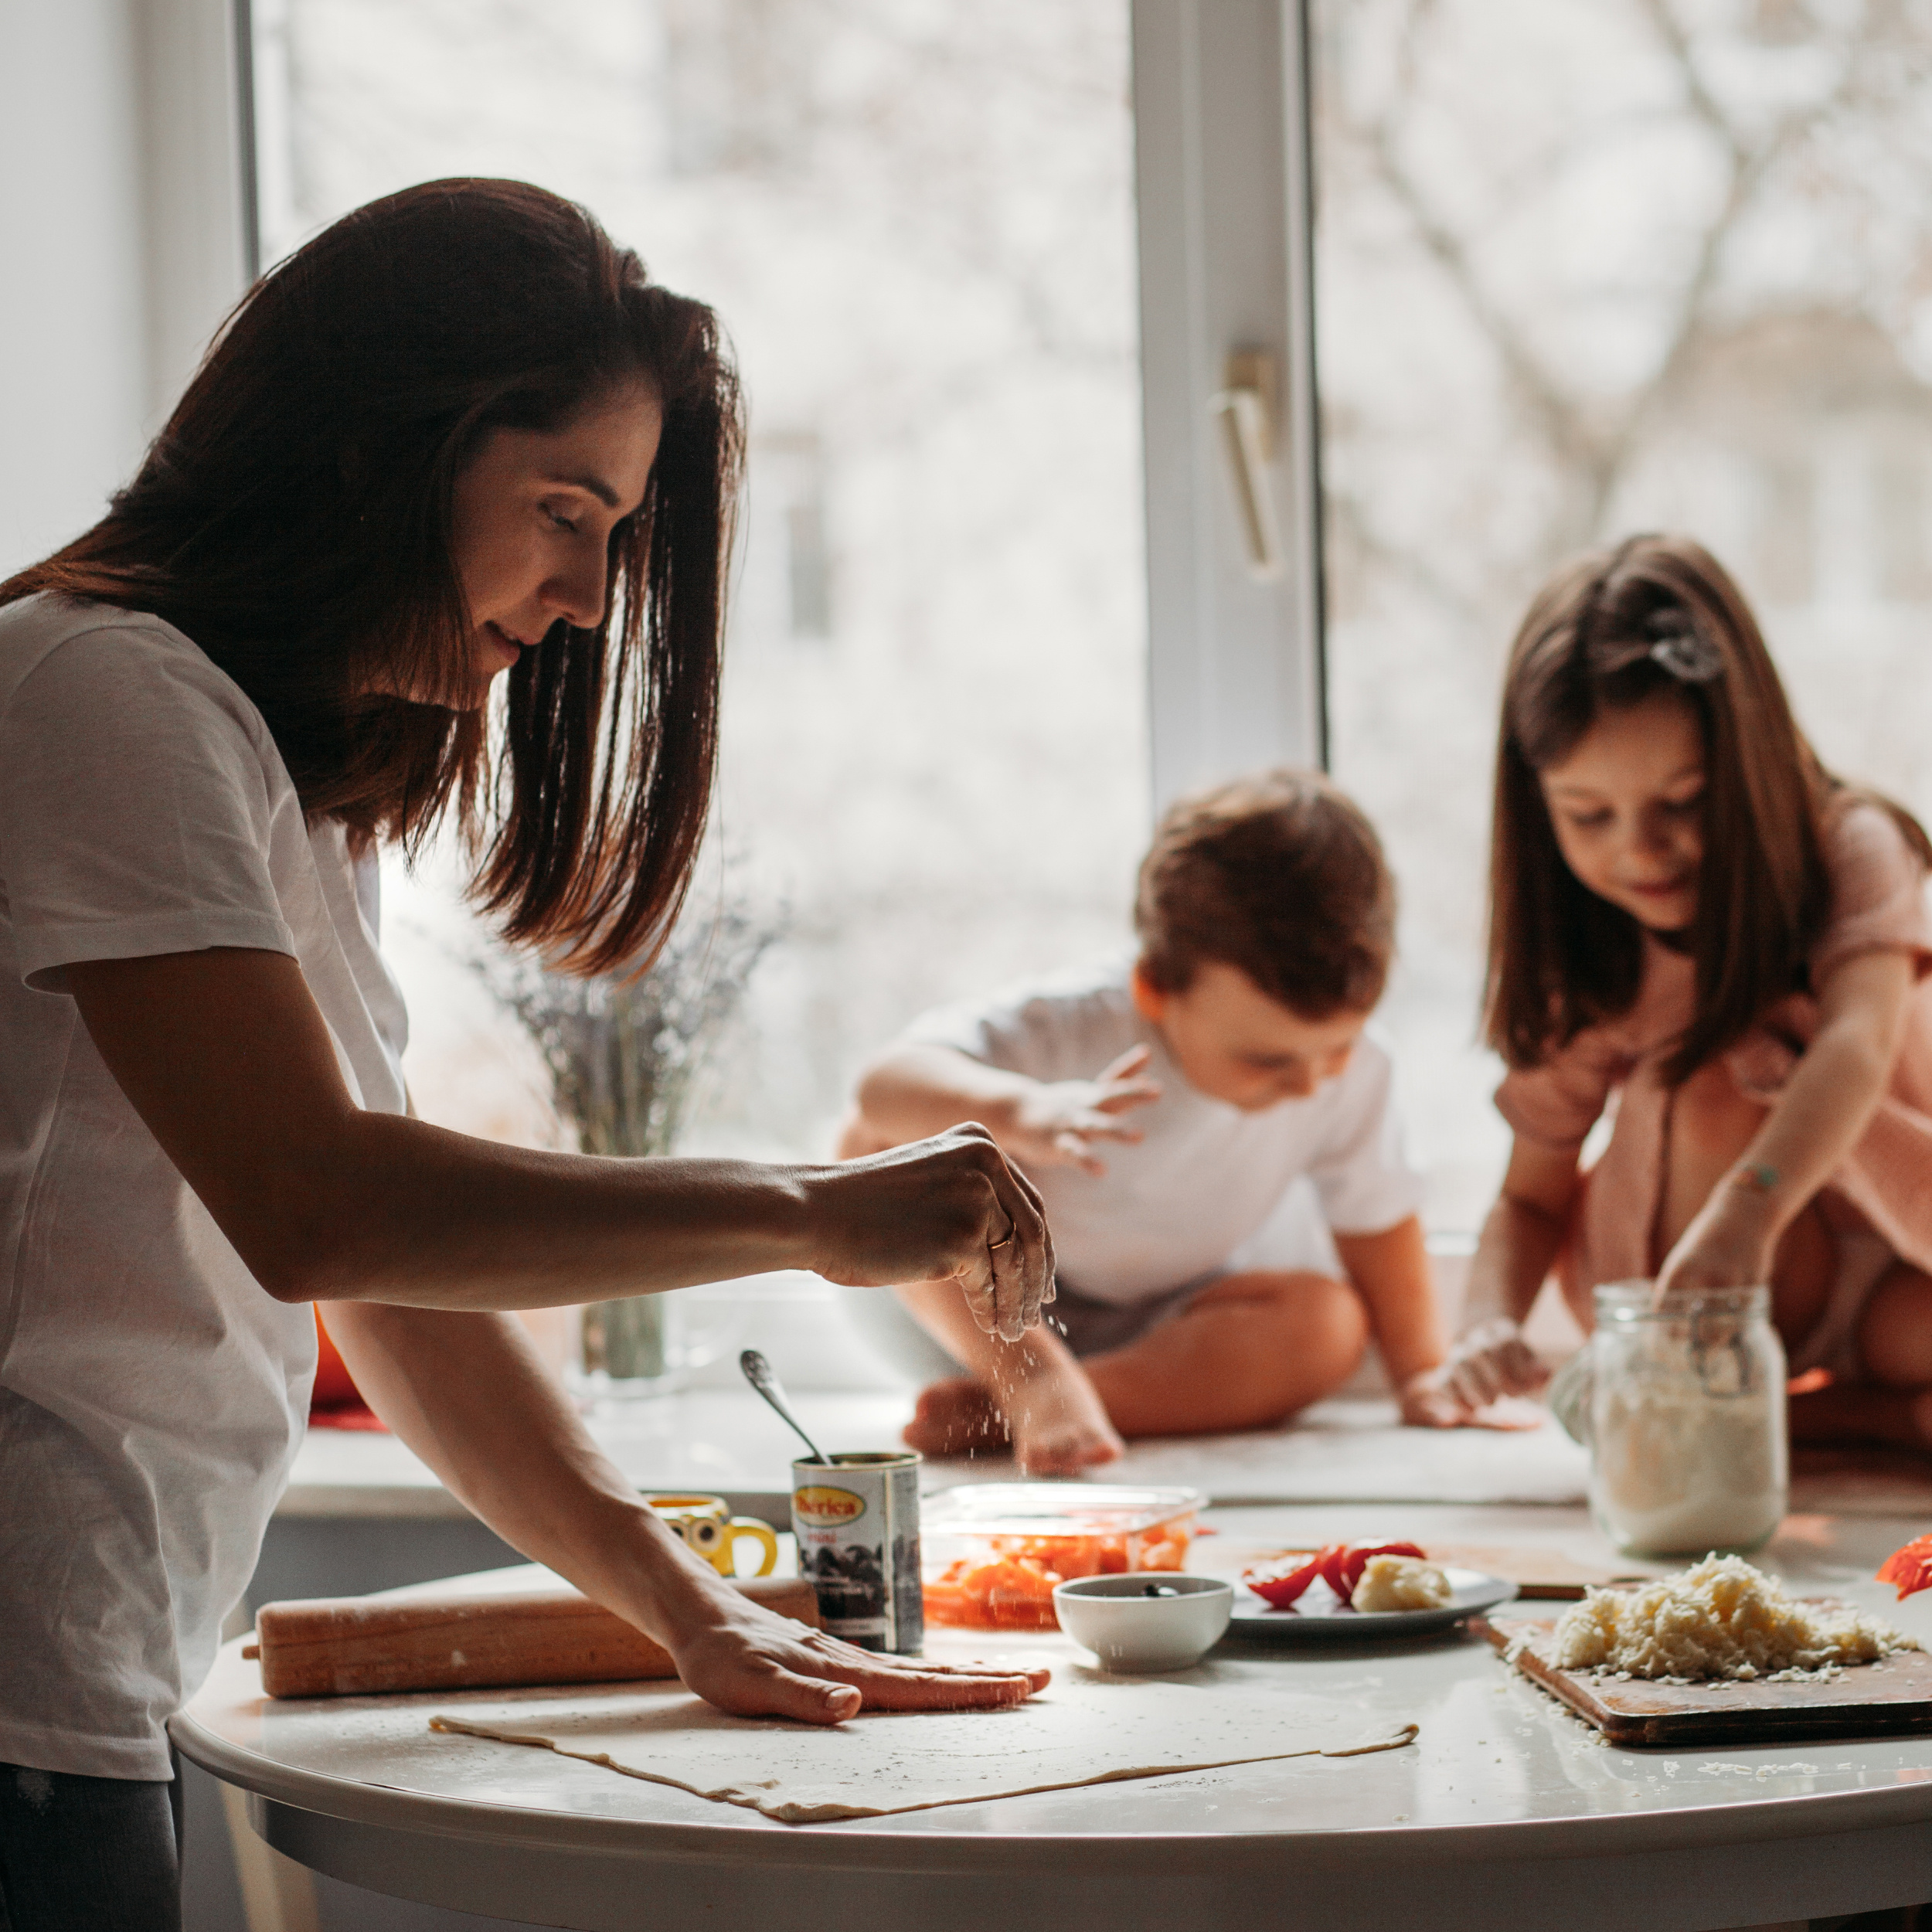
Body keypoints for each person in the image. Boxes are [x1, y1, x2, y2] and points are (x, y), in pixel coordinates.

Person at [0, 179, 1053, 1927]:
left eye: (614, 533)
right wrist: (809, 1212)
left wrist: (683, 1601)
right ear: (376, 450)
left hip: (83, 1686)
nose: (581, 593)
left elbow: (400, 1290)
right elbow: (318, 1207)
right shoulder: (97, 690)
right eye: (562, 510)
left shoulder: (284, 784)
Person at [1436, 533, 1932, 1450]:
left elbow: (1854, 1047)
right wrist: (1485, 1322)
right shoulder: (1587, 944)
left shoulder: (1851, 844)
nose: (1640, 850)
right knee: (1713, 1084)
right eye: (1589, 815)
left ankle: (1821, 1420)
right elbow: (1530, 1196)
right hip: (1682, 1274)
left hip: (1882, 1241)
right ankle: (1768, 1412)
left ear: (1748, 762)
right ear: (1538, 805)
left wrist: (1749, 1211)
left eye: (1685, 799)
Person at [840, 770, 1480, 1477]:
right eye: (1266, 1058)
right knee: (871, 1144)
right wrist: (1024, 1112)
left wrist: (1423, 1373)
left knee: (1330, 1325)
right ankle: (1029, 1381)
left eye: (1338, 1046)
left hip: (1166, 1331)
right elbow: (879, 1084)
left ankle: (1036, 1405)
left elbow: (1378, 1221)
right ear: (1155, 988)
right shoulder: (1071, 1025)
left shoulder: (1349, 1074)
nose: (1309, 1082)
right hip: (976, 1314)